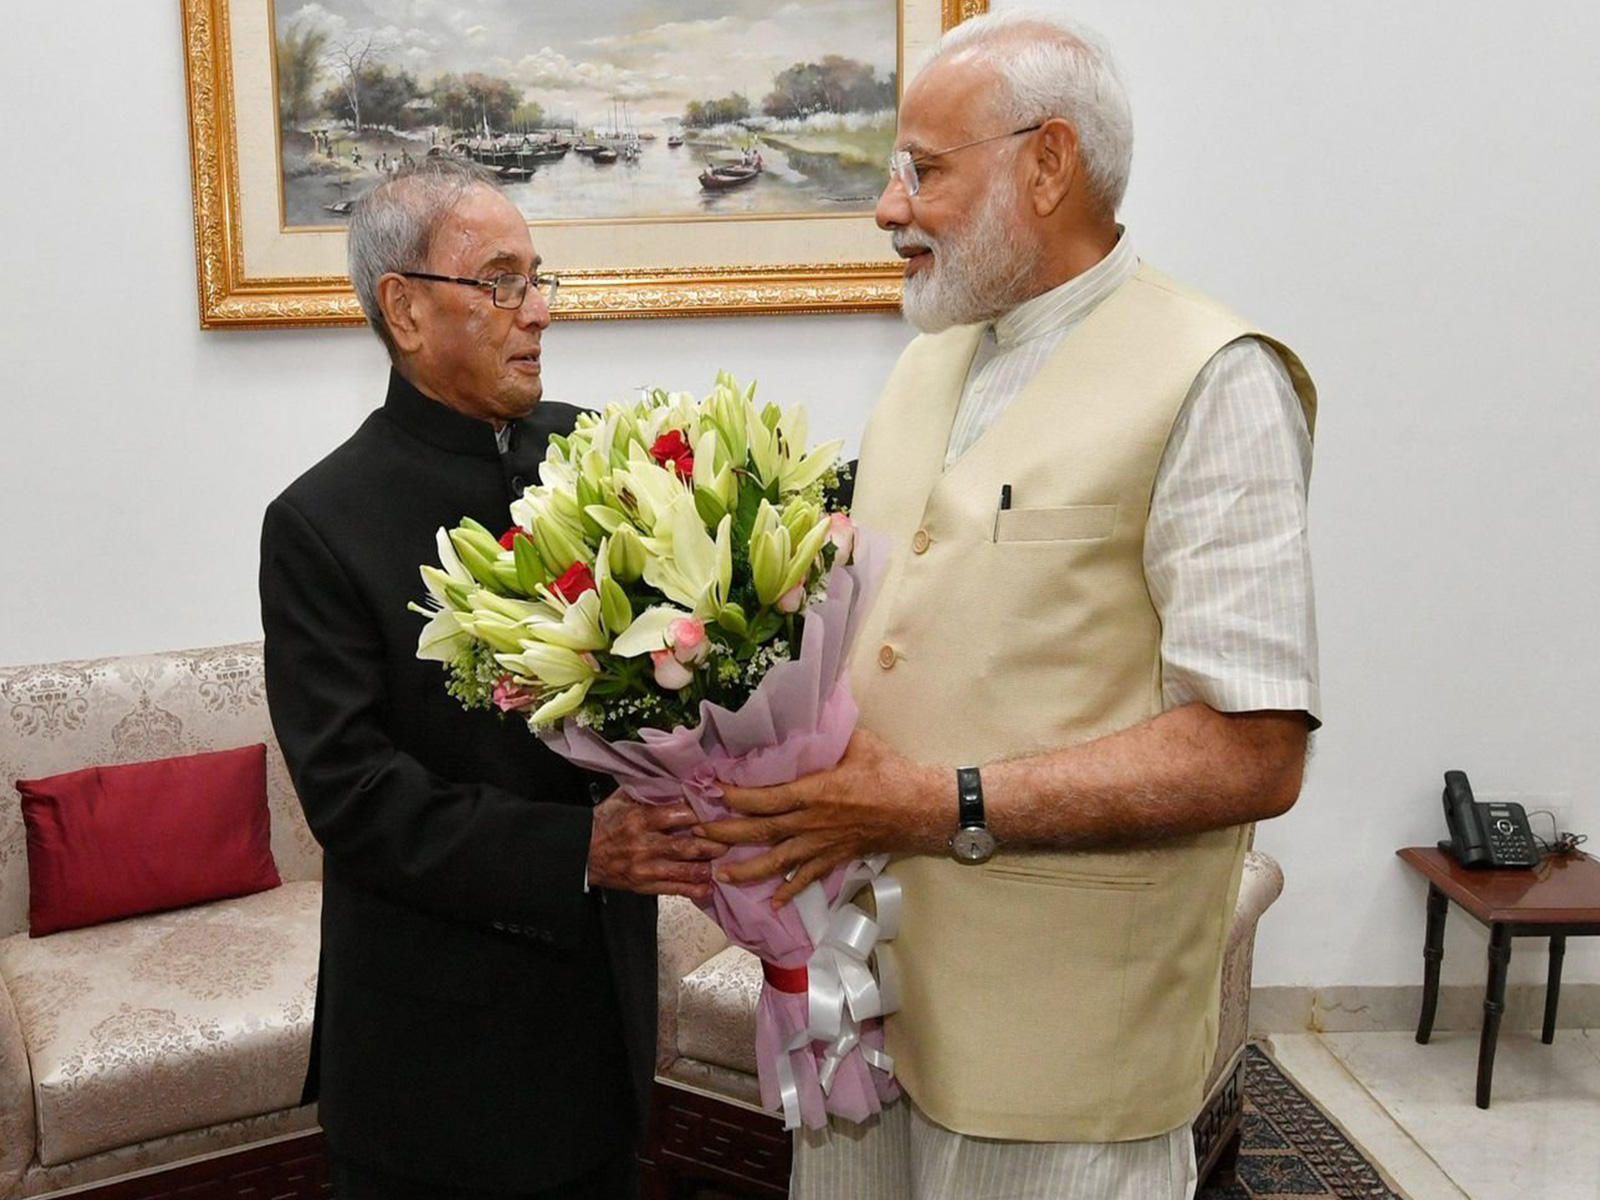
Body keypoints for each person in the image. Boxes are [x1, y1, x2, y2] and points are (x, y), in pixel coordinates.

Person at [704, 12, 1319, 1200]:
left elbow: (1252, 751)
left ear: (1046, 164)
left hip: (1062, 1053)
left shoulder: (1217, 377)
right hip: (869, 1008)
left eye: (921, 170)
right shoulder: (931, 356)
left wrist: (941, 802)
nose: (888, 207)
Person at [260, 157, 724, 1200]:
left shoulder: (595, 457)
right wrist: (582, 848)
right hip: (435, 1059)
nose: (541, 311)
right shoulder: (320, 523)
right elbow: (354, 795)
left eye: (539, 276)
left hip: (602, 1020)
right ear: (406, 310)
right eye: (502, 281)